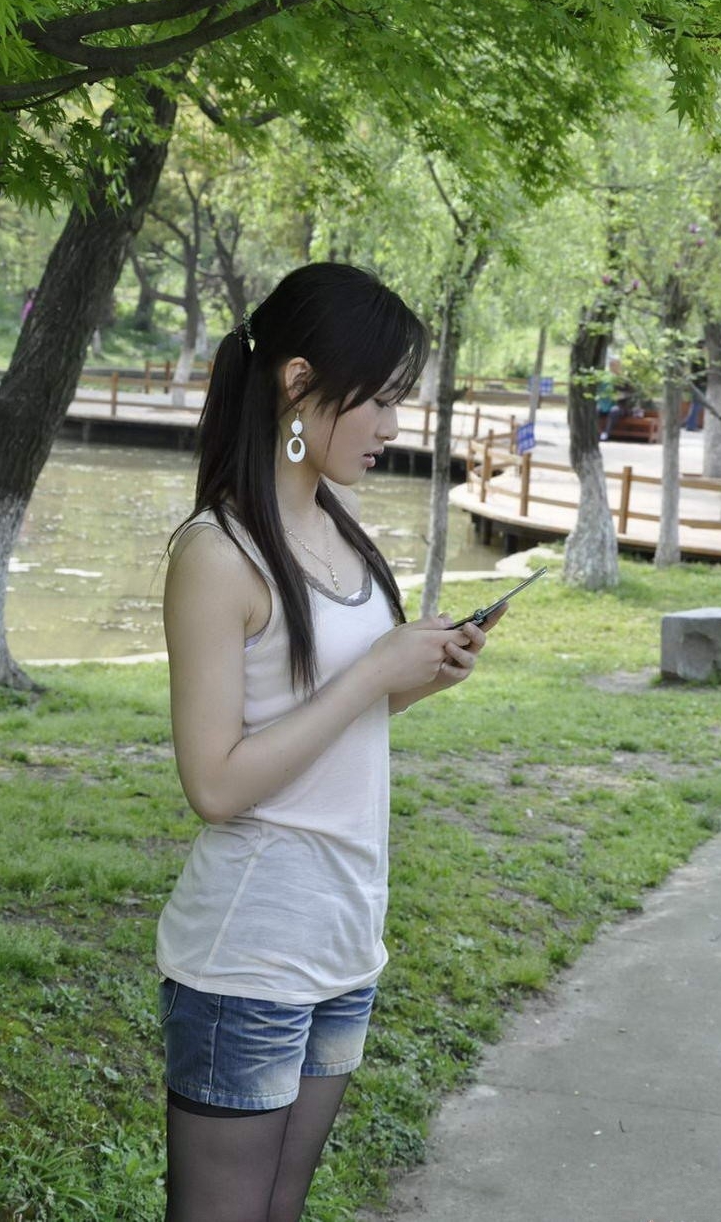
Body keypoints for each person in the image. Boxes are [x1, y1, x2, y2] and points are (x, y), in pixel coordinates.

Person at [155, 262, 505, 1222]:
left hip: (345, 938)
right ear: (299, 382)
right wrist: (370, 673)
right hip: (251, 954)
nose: (396, 425)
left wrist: (417, 678)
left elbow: (324, 729)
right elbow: (217, 785)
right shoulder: (216, 553)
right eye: (384, 400)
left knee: (279, 1209)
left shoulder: (341, 536)